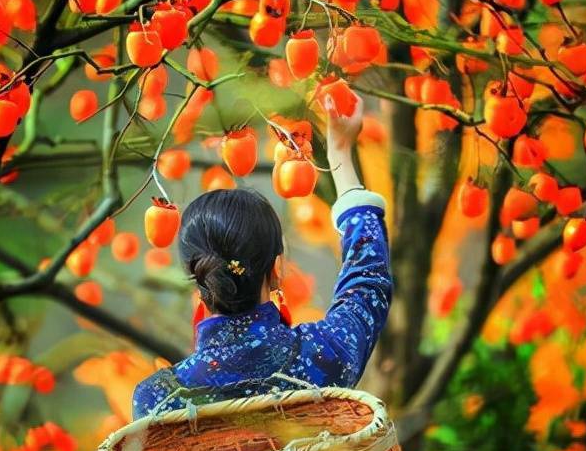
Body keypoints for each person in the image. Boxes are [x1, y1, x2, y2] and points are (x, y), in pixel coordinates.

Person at [131, 91, 392, 419]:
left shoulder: (158, 399)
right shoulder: (325, 354)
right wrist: (339, 154)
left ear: (199, 277)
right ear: (277, 268)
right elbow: (367, 282)